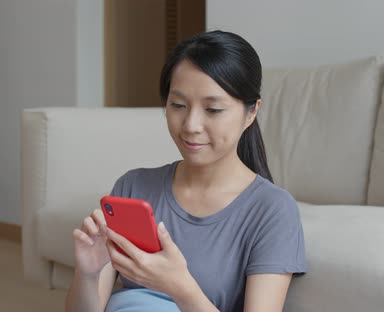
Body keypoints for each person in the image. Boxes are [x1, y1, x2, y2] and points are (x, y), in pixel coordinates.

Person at [65, 30, 307, 312]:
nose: (191, 125)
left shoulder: (272, 210)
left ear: (251, 113)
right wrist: (89, 273)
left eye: (213, 109)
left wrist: (179, 287)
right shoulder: (133, 186)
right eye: (178, 105)